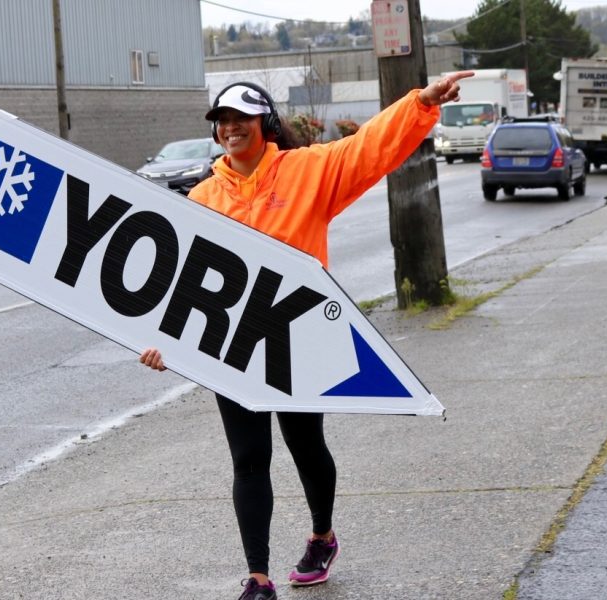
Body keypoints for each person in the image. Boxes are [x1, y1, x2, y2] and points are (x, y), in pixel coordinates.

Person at [139, 72, 473, 600]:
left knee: (305, 445)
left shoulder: (306, 172)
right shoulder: (201, 198)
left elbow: (368, 149)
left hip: (298, 341)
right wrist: (163, 344)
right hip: (232, 349)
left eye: (241, 118)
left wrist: (419, 103)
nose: (231, 129)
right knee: (249, 459)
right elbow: (178, 281)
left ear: (264, 123)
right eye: (223, 121)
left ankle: (322, 536)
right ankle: (258, 577)